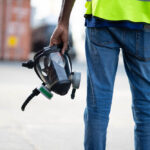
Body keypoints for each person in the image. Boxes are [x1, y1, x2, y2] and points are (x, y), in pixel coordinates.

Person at [50, 0, 150, 150]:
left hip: (102, 16)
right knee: (145, 109)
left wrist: (63, 22)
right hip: (143, 21)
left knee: (97, 106)